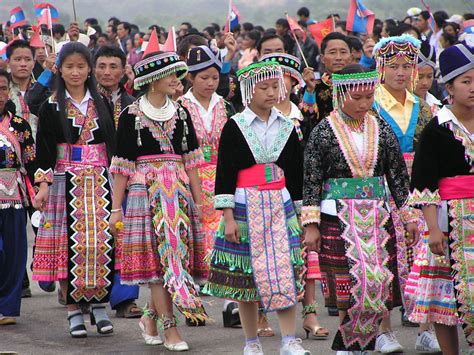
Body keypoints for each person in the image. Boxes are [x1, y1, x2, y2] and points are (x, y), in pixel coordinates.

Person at [302, 64, 420, 354]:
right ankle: (349, 346)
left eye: (369, 97)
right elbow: (312, 179)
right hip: (336, 216)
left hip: (377, 217)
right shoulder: (323, 132)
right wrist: (312, 225)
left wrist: (408, 217)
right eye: (357, 98)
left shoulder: (380, 127)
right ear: (341, 94)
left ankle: (362, 342)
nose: (364, 104)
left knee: (378, 281)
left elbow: (397, 177)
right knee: (348, 285)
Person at [203, 60, 310, 355]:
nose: (272, 92)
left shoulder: (288, 126)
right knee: (246, 278)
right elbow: (224, 173)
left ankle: (289, 339)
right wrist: (228, 217)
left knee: (284, 270)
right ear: (249, 91)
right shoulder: (235, 127)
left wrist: (302, 215)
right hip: (244, 205)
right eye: (264, 87)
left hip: (280, 203)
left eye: (276, 86)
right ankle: (251, 342)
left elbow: (296, 172)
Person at [109, 48, 207, 351]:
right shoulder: (131, 115)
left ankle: (149, 318)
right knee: (157, 264)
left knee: (175, 260)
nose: (177, 81)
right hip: (144, 193)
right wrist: (115, 208)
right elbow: (123, 165)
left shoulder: (181, 112)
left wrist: (200, 201)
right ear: (153, 80)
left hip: (177, 192)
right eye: (171, 75)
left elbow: (191, 161)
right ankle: (170, 329)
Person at [32, 42, 116, 338]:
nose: (76, 72)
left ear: (89, 69)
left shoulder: (102, 103)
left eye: (81, 66)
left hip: (100, 182)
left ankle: (99, 304)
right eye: (69, 66)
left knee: (101, 244)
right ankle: (72, 310)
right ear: (60, 69)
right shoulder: (51, 106)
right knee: (70, 248)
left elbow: (113, 146)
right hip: (64, 181)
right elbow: (43, 151)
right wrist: (42, 186)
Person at [407, 38, 474, 355]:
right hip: (450, 221)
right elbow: (424, 184)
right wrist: (433, 228)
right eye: (466, 81)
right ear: (450, 87)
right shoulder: (437, 129)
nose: (473, 87)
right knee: (445, 298)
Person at [372, 34, 433, 353]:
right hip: (381, 187)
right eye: (393, 65)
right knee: (386, 256)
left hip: (418, 187)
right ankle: (384, 330)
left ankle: (426, 327)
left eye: (407, 66)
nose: (400, 72)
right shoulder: (370, 104)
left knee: (425, 255)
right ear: (380, 69)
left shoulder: (422, 106)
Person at [262, 52, 329, 341]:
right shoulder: (253, 117)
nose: (278, 88)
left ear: (293, 83)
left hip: (300, 191)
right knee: (265, 255)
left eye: (284, 81)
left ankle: (310, 314)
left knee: (306, 252)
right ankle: (262, 314)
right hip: (265, 193)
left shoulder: (305, 115)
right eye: (271, 82)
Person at [179, 45, 239, 328]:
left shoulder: (226, 106)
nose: (210, 83)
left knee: (225, 238)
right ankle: (193, 304)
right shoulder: (179, 106)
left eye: (214, 77)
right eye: (203, 77)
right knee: (192, 240)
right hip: (188, 176)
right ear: (190, 77)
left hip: (222, 177)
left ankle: (231, 305)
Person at [93, 45, 142, 319]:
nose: (107, 72)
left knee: (124, 234)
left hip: (127, 177)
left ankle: (125, 299)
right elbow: (40, 101)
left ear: (125, 69)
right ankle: (90, 293)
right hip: (89, 175)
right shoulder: (82, 101)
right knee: (94, 237)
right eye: (102, 66)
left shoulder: (134, 103)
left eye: (114, 66)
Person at [0, 69, 35, 326]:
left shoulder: (19, 125)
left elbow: (32, 162)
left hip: (13, 196)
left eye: (3, 88)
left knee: (13, 253)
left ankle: (8, 306)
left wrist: (40, 190)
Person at [6, 39, 38, 299]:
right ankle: (20, 280)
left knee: (43, 222)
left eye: (27, 59)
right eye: (18, 59)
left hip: (40, 162)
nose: (23, 63)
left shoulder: (45, 89)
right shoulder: (4, 89)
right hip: (11, 169)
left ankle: (47, 271)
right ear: (8, 61)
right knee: (14, 229)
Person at [307, 32, 352, 125]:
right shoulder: (314, 85)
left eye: (343, 52)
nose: (338, 58)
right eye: (332, 52)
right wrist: (309, 90)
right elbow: (306, 118)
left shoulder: (361, 85)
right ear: (322, 58)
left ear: (351, 57)